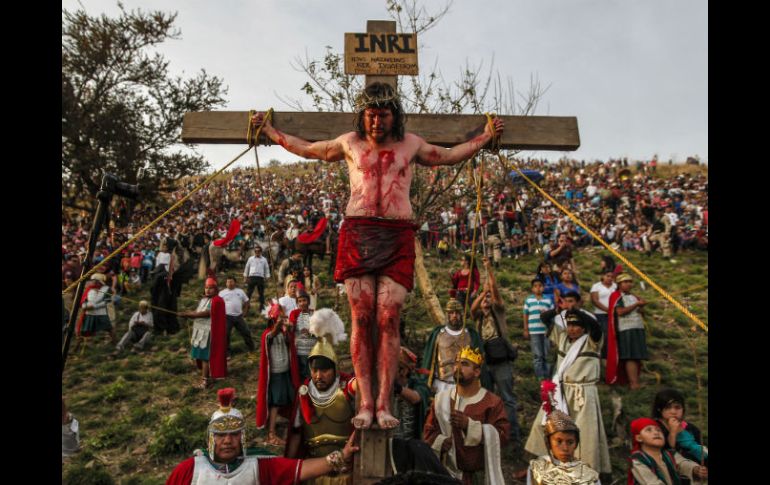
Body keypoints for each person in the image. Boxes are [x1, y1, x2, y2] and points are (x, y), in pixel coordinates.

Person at [252, 81, 504, 429]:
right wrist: (270, 131)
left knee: (388, 317)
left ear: (394, 115)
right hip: (358, 232)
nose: (376, 122)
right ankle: (366, 402)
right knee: (362, 318)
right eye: (370, 115)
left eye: (383, 115)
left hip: (397, 233)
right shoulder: (349, 143)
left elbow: (446, 156)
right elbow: (310, 148)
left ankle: (384, 403)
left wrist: (485, 137)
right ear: (362, 115)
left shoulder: (410, 143)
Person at [166, 387, 360, 484]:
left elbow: (300, 469)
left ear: (242, 437)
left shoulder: (259, 466)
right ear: (211, 438)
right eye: (221, 435)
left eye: (234, 435)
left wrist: (341, 456)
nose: (227, 441)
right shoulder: (189, 471)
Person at [524, 310, 611, 476]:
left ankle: (584, 470)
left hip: (583, 392)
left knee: (585, 432)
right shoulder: (562, 337)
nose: (572, 328)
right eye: (570, 324)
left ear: (584, 328)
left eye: (577, 325)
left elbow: (596, 328)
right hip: (560, 390)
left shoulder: (592, 341)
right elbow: (545, 318)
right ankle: (542, 464)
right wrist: (559, 310)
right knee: (545, 425)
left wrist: (577, 310)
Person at [285, 308, 355, 485]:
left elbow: (361, 383)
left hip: (347, 469)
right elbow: (296, 434)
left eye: (324, 370)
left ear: (335, 369)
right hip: (314, 469)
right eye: (315, 370)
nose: (318, 376)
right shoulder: (304, 392)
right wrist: (289, 468)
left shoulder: (346, 387)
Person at [423, 346, 509, 485]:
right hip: (446, 475)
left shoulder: (492, 402)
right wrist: (440, 441)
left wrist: (469, 426)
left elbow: (503, 436)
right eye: (456, 363)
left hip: (478, 477)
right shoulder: (441, 400)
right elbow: (428, 432)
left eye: (464, 364)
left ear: (476, 372)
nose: (457, 367)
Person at [471, 256, 520, 444]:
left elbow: (497, 294)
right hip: (484, 361)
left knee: (507, 398)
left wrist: (489, 271)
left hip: (501, 361)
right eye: (484, 298)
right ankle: (488, 434)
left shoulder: (498, 312)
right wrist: (483, 294)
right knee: (485, 397)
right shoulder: (478, 317)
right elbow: (473, 308)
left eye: (488, 298)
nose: (487, 300)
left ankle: (512, 435)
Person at [527, 381, 600, 485]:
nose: (565, 448)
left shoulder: (588, 474)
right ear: (549, 443)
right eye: (559, 441)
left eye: (570, 442)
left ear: (576, 444)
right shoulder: (537, 469)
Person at [256, 303, 301, 446]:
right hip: (276, 373)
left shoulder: (282, 332)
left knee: (289, 398)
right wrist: (279, 323)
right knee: (275, 402)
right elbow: (273, 334)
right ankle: (271, 434)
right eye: (279, 317)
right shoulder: (267, 334)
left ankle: (292, 424)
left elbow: (289, 342)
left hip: (285, 371)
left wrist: (288, 330)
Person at [422, 298, 486, 394]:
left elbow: (479, 361)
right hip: (442, 384)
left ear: (462, 314)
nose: (454, 316)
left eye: (457, 313)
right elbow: (428, 360)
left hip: (465, 384)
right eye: (451, 313)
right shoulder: (438, 333)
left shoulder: (471, 334)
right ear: (447, 315)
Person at [179, 278, 227, 389]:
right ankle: (207, 375)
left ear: (215, 289)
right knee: (199, 356)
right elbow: (198, 312)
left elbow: (207, 313)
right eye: (206, 288)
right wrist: (189, 314)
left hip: (209, 333)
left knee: (205, 356)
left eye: (210, 288)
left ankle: (206, 381)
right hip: (199, 331)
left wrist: (189, 315)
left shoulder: (217, 300)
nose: (208, 290)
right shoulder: (204, 300)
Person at [628, 418, 707, 485]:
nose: (656, 433)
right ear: (639, 438)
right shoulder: (637, 460)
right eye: (649, 430)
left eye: (658, 430)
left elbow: (683, 463)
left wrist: (695, 469)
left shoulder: (669, 454)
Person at [606, 273, 650, 390]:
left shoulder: (634, 296)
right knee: (630, 356)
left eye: (630, 281)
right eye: (625, 282)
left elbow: (640, 313)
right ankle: (633, 383)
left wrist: (641, 307)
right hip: (626, 329)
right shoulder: (616, 296)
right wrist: (636, 304)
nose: (629, 284)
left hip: (637, 327)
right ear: (619, 284)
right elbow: (620, 312)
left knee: (636, 356)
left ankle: (635, 381)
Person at [651, 389, 708, 468]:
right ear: (659, 409)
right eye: (668, 407)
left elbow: (702, 452)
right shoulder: (654, 429)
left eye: (677, 407)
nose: (673, 411)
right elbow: (667, 453)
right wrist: (673, 433)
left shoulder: (690, 428)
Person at [391, 346, 432, 441]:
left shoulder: (418, 384)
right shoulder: (383, 384)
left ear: (404, 371)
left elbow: (416, 398)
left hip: (411, 441)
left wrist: (397, 388)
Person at [523, 279, 555, 380]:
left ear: (543, 287)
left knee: (546, 354)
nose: (538, 288)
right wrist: (526, 329)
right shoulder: (529, 300)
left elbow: (552, 316)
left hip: (546, 331)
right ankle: (539, 376)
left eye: (540, 286)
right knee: (537, 355)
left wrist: (551, 330)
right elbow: (525, 315)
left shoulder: (548, 300)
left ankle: (547, 375)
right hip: (534, 331)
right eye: (535, 286)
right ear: (532, 288)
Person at [218, 276, 255, 358]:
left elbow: (247, 301)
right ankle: (227, 353)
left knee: (246, 332)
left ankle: (251, 348)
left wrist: (245, 312)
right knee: (226, 334)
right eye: (228, 282)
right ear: (226, 283)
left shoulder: (240, 291)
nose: (229, 283)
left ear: (235, 283)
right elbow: (217, 304)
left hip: (238, 316)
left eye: (231, 282)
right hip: (227, 317)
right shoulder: (222, 293)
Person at [78, 273, 117, 344]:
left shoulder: (106, 289)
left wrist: (94, 306)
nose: (92, 282)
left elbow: (107, 301)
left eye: (94, 280)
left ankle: (115, 342)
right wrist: (85, 307)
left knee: (109, 329)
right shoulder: (89, 289)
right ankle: (80, 345)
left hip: (101, 313)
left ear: (98, 281)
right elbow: (83, 301)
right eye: (92, 280)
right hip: (90, 313)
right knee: (85, 331)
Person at [589, 269, 617, 360]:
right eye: (607, 276)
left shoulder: (615, 286)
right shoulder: (596, 286)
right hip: (601, 314)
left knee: (614, 335)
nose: (610, 278)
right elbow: (595, 300)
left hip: (615, 314)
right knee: (605, 334)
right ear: (603, 276)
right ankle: (603, 356)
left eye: (612, 277)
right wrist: (608, 310)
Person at [289, 290, 316, 380]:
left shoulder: (314, 313)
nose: (302, 303)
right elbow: (291, 328)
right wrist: (289, 325)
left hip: (313, 348)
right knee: (303, 372)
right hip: (301, 349)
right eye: (299, 301)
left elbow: (320, 330)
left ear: (308, 301)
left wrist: (312, 331)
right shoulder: (294, 314)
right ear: (297, 303)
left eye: (304, 300)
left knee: (314, 371)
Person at [243, 246, 270, 312]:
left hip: (260, 277)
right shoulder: (250, 259)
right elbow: (247, 268)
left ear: (261, 252)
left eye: (258, 251)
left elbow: (266, 268)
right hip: (252, 277)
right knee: (249, 293)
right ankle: (246, 307)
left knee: (261, 293)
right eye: (256, 251)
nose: (257, 252)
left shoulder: (264, 259)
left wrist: (267, 276)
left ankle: (261, 307)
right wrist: (245, 277)